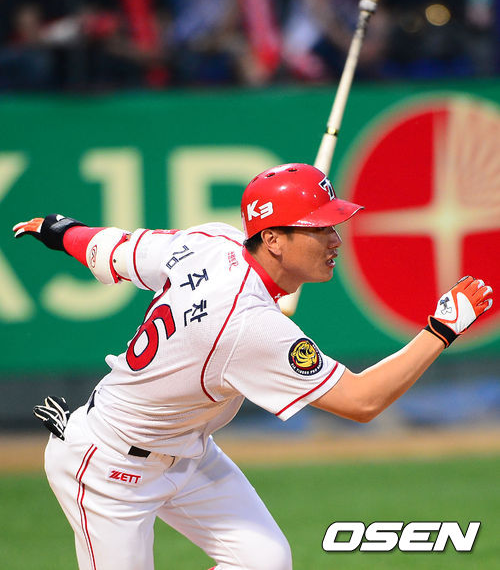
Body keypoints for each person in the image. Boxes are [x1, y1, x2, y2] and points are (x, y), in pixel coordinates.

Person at [13, 163, 492, 570]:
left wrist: (59, 230)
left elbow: (115, 248)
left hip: (188, 453)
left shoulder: (212, 241)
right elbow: (362, 401)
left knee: (264, 560)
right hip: (109, 468)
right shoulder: (250, 326)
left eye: (333, 225)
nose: (335, 239)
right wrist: (439, 331)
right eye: (319, 228)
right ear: (275, 240)